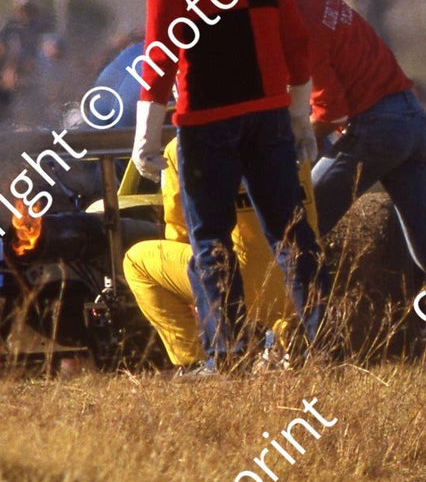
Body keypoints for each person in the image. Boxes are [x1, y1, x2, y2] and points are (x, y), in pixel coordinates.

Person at [129, 0, 325, 373]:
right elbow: (296, 39)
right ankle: (327, 345)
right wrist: (300, 118)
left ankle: (227, 356)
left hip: (207, 120)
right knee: (292, 232)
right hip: (269, 114)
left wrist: (146, 138)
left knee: (209, 237)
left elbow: (161, 51)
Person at [293, 0, 426, 360]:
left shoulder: (294, 26)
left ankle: (309, 344)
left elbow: (331, 113)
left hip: (373, 129)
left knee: (295, 229)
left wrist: (291, 146)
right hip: (414, 120)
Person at [123, 136, 318, 370]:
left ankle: (196, 361)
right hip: (306, 275)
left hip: (239, 282)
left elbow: (179, 228)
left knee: (136, 261)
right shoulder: (289, 133)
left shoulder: (182, 147)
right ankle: (287, 334)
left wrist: (196, 292)